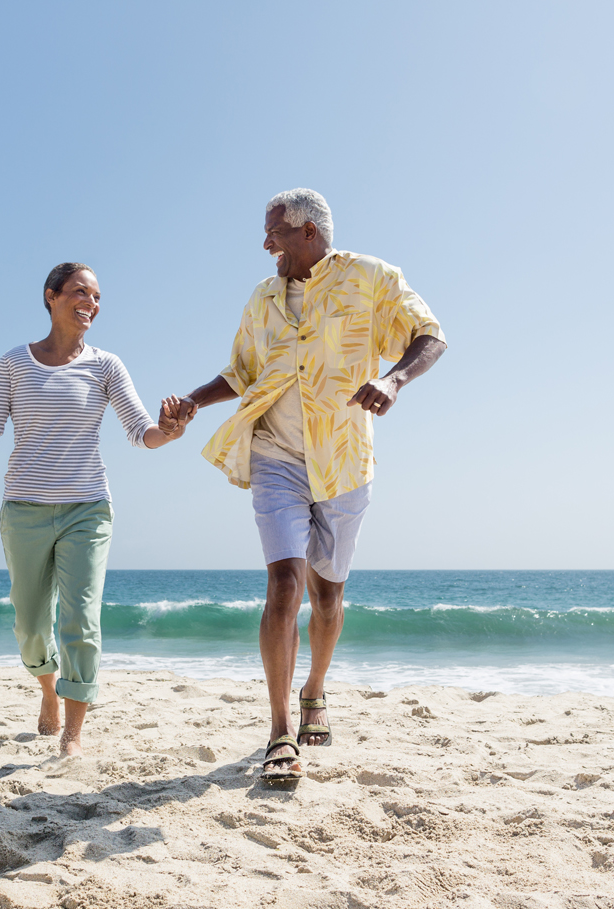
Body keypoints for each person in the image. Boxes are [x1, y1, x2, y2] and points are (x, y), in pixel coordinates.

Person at [177, 189, 447, 781]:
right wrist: (194, 402)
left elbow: (430, 334)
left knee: (327, 598)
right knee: (283, 585)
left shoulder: (371, 278)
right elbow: (240, 371)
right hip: (275, 454)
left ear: (307, 233)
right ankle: (279, 734)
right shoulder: (264, 298)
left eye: (274, 231)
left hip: (344, 459)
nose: (266, 243)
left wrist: (395, 380)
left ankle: (315, 691)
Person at [0, 262, 193, 756]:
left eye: (98, 297)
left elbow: (138, 430)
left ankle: (73, 734)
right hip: (25, 509)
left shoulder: (106, 365)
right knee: (31, 625)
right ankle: (47, 689)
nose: (92, 303)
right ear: (51, 296)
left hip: (88, 509)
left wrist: (169, 431)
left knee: (82, 618)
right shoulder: (14, 363)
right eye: (81, 292)